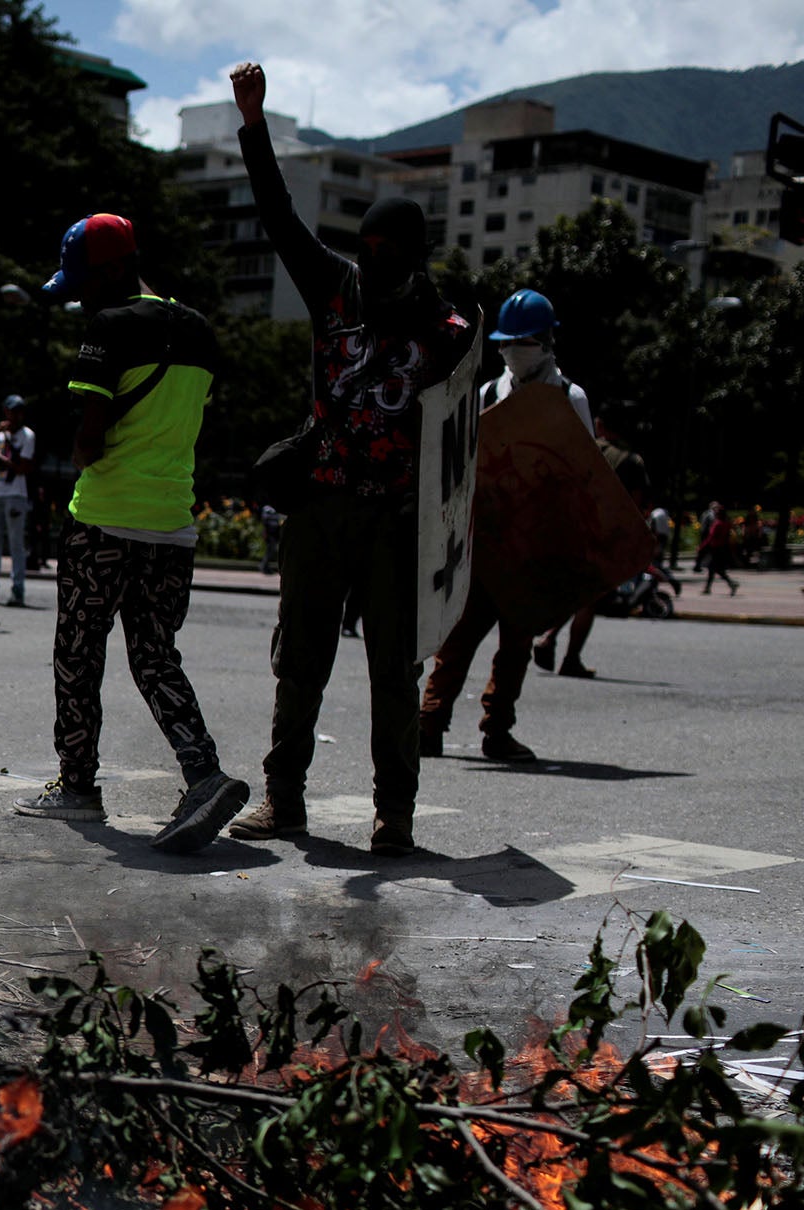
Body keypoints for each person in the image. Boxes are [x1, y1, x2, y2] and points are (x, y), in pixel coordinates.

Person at [223, 61, 477, 857]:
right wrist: (254, 122)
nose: (371, 259)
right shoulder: (334, 287)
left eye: (387, 249)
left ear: (415, 253)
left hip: (396, 519)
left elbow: (461, 438)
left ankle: (393, 814)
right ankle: (283, 798)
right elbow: (277, 214)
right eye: (365, 245)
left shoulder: (447, 331)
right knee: (299, 661)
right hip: (321, 508)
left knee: (393, 673)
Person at [11, 213, 249, 853]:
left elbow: (89, 443)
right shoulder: (197, 328)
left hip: (104, 521)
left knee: (79, 653)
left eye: (84, 282)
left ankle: (78, 786)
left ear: (114, 269)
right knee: (154, 654)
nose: (81, 296)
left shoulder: (109, 327)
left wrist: (90, 441)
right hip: (172, 525)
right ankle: (203, 772)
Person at [420, 288, 590, 760]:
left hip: (533, 545)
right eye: (505, 343)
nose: (512, 351)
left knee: (516, 646)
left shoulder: (569, 397)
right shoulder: (486, 395)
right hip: (483, 541)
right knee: (456, 642)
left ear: (546, 341)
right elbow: (458, 467)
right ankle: (429, 725)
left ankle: (497, 731)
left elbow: (585, 472)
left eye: (523, 342)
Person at [532, 413, 648, 678]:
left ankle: (549, 638)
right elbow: (638, 505)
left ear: (600, 425)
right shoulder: (631, 461)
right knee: (589, 598)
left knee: (578, 592)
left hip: (569, 530)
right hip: (603, 537)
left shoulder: (582, 449)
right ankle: (568, 656)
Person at [0, 396, 36, 608]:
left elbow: (23, 466)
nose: (16, 416)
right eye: (13, 411)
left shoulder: (27, 435)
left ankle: (18, 589)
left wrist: (3, 460)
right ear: (6, 411)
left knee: (16, 544)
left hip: (15, 494)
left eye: (20, 412)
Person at [701, 508, 740, 595]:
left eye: (717, 512)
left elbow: (711, 537)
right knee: (712, 569)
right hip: (722, 548)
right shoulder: (726, 524)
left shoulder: (717, 523)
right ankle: (707, 588)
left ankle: (731, 583)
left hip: (715, 548)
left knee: (716, 569)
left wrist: (702, 546)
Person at [258, 503, 284, 576]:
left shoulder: (276, 509)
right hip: (269, 533)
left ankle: (265, 566)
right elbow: (264, 521)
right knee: (270, 550)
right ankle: (263, 566)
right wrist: (265, 533)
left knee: (271, 550)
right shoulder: (267, 508)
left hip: (275, 533)